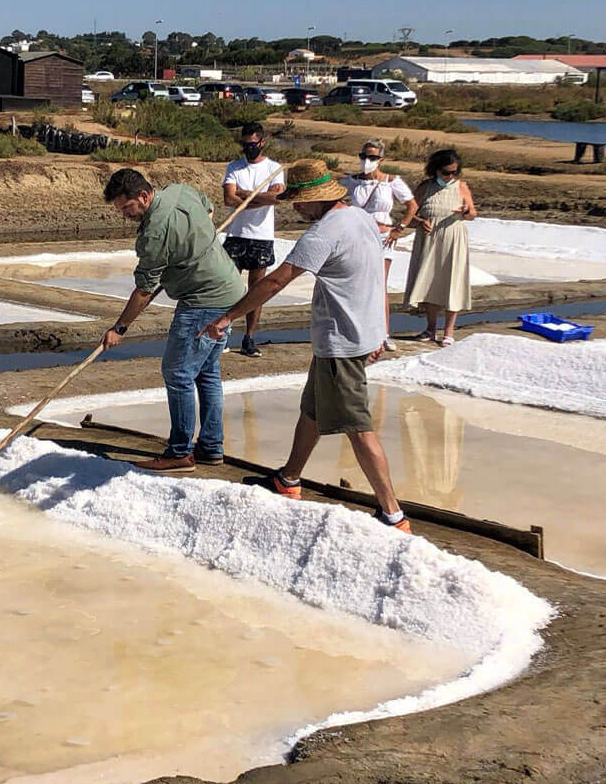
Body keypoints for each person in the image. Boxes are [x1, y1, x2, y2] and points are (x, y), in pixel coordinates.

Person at [200, 158, 411, 532]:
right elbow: (378, 274)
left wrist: (226, 317)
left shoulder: (323, 234)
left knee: (357, 426)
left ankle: (393, 514)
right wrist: (381, 330)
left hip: (342, 342)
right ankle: (289, 479)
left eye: (300, 200)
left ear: (318, 198)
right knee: (312, 410)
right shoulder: (360, 218)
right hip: (359, 332)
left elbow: (276, 281)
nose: (295, 207)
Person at [101, 168, 247, 474]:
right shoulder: (180, 191)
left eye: (127, 208)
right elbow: (207, 208)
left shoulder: (154, 233)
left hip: (203, 301)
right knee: (206, 371)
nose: (125, 215)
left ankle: (180, 452)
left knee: (178, 372)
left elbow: (144, 290)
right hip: (230, 290)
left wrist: (119, 327)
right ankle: (210, 447)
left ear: (143, 196)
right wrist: (191, 244)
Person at [339, 138, 418, 351]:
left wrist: (400, 228)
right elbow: (333, 196)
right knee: (356, 281)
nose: (367, 160)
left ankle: (383, 333)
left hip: (384, 236)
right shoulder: (351, 181)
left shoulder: (391, 181)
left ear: (381, 159)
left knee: (379, 283)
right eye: (364, 156)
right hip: (358, 235)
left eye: (372, 157)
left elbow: (412, 205)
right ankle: (357, 331)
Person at [401, 148, 477, 347]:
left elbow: (472, 214)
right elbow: (409, 214)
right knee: (429, 281)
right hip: (429, 239)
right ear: (435, 170)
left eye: (454, 172)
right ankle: (430, 327)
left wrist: (466, 210)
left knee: (452, 282)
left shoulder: (461, 187)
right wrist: (418, 221)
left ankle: (449, 331)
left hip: (453, 239)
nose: (450, 176)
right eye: (445, 172)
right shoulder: (425, 187)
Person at [222, 122, 285, 357]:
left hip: (261, 236)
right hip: (236, 235)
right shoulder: (234, 167)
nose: (249, 148)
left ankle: (248, 337)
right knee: (229, 286)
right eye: (245, 144)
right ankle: (222, 333)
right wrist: (259, 197)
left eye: (253, 144)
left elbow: (276, 198)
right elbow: (229, 198)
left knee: (256, 290)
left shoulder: (274, 168)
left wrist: (247, 194)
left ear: (262, 142)